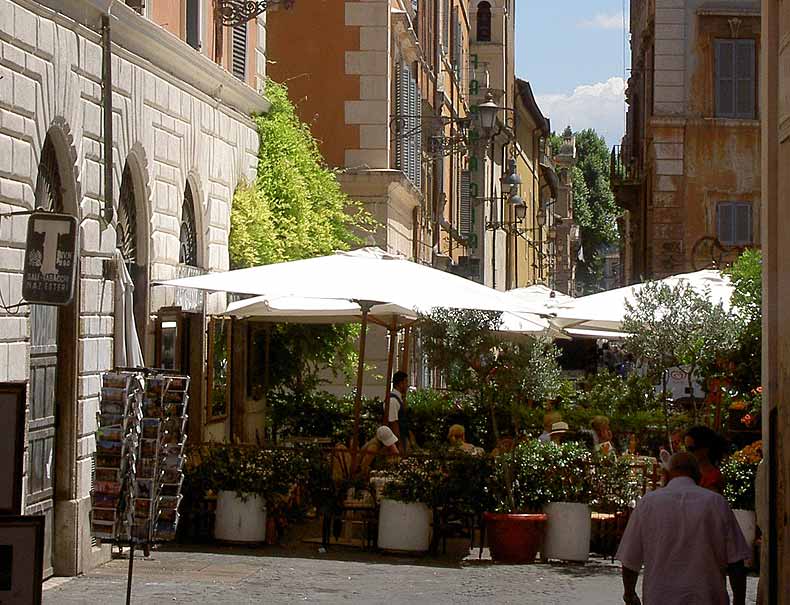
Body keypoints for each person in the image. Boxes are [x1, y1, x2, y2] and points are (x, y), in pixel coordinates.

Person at [616, 452, 750, 605]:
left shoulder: (648, 503)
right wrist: (739, 601)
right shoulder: (717, 503)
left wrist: (629, 594)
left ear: (666, 473)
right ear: (698, 475)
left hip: (660, 598)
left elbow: (630, 560)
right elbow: (736, 562)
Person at [685, 425, 726, 493]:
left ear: (705, 449)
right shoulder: (691, 472)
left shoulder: (713, 478)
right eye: (686, 449)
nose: (687, 453)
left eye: (691, 449)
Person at [385, 371, 408, 446]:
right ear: (400, 384)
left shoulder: (398, 399)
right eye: (406, 382)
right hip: (396, 441)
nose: (407, 385)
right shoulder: (393, 401)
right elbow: (393, 424)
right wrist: (398, 444)